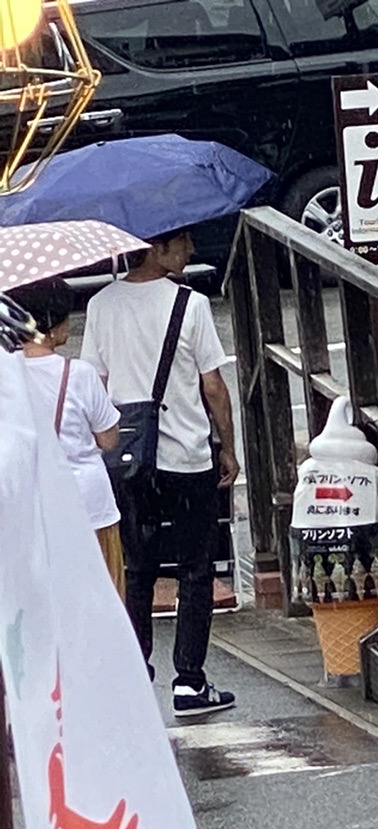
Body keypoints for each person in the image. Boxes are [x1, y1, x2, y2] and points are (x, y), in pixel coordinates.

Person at [81, 228, 238, 714]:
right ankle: (189, 682)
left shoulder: (101, 305)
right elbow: (212, 385)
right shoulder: (189, 304)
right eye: (183, 242)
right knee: (195, 570)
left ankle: (133, 673)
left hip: (130, 460)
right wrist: (227, 447)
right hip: (187, 455)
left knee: (138, 569)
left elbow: (96, 381)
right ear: (157, 247)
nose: (191, 250)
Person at [16, 279, 125, 594]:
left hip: (31, 502)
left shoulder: (6, 374)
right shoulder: (79, 375)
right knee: (100, 598)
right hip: (88, 503)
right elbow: (109, 439)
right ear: (50, 325)